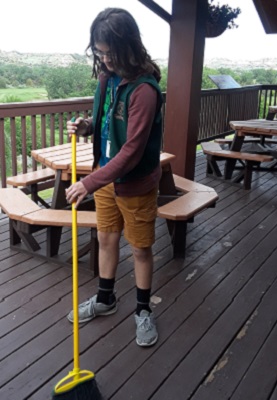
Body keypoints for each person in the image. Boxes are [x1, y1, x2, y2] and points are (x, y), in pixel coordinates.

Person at [64, 8, 165, 348]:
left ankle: (142, 310)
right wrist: (86, 127)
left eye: (111, 52)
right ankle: (106, 300)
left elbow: (132, 152)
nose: (105, 59)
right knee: (106, 240)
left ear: (129, 46)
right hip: (106, 178)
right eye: (100, 51)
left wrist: (87, 183)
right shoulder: (107, 80)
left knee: (139, 249)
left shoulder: (144, 91)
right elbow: (109, 125)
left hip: (134, 184)